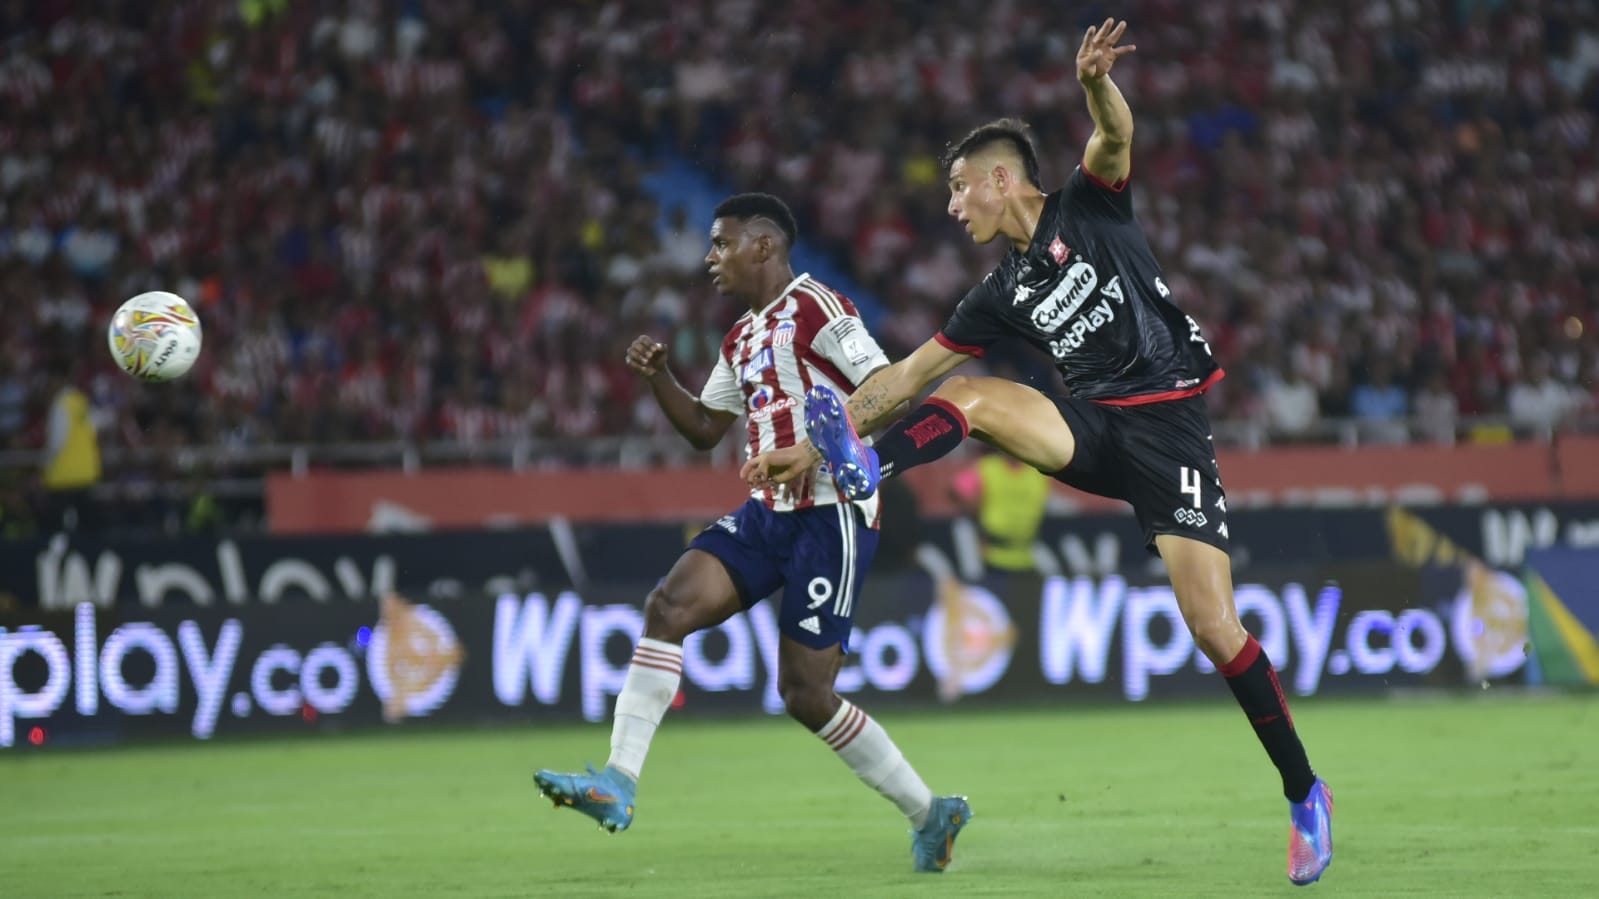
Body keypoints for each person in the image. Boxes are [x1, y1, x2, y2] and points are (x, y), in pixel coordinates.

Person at [744, 21, 1333, 886]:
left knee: (1214, 626)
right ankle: (865, 467)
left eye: (957, 190)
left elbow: (1116, 134)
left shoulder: (1087, 204)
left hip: (1169, 430)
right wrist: (809, 443)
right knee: (972, 397)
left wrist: (1095, 84)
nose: (952, 208)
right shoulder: (995, 293)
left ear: (997, 180)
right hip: (1090, 431)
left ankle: (1303, 792)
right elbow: (905, 375)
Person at [535, 193, 971, 873]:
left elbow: (890, 386)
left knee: (805, 692)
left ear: (762, 246)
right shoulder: (740, 336)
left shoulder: (819, 308)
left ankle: (929, 811)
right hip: (767, 511)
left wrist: (824, 447)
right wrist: (659, 380)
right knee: (666, 606)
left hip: (831, 513)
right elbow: (707, 427)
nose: (709, 258)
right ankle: (616, 781)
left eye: (720, 243)